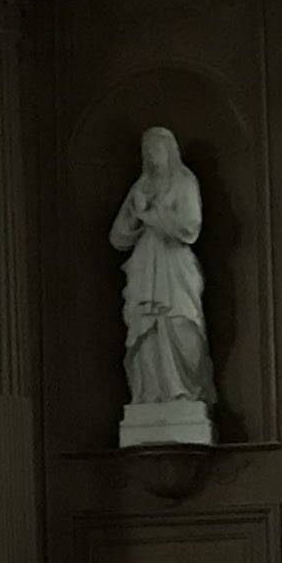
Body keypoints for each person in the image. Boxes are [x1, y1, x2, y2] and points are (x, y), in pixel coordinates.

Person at [109, 126, 212, 410]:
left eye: (157, 149)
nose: (153, 155)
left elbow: (189, 227)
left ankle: (187, 392)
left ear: (170, 151)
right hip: (145, 265)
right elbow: (117, 237)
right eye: (148, 150)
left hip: (174, 264)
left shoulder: (184, 182)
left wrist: (149, 215)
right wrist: (133, 215)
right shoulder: (141, 187)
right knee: (146, 329)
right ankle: (151, 394)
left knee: (181, 323)